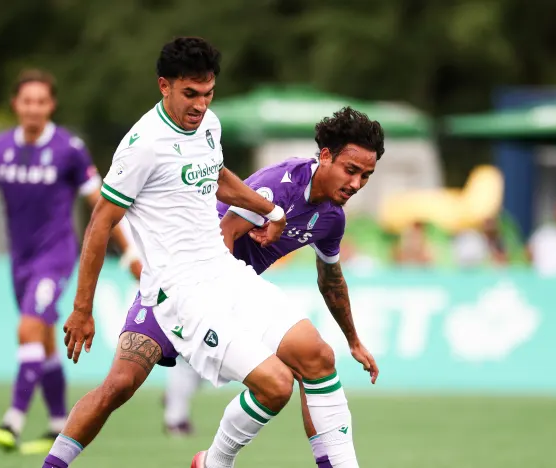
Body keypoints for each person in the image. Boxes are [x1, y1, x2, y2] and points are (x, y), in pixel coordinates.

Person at [41, 37, 377, 468]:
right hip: (177, 292)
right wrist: (82, 307)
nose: (200, 105)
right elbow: (100, 223)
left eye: (208, 93)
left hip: (225, 275)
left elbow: (217, 177)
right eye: (190, 94)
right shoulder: (143, 144)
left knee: (316, 355)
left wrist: (270, 210)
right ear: (164, 86)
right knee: (121, 386)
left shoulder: (208, 126)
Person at [0, 69, 140, 454]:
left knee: (28, 328)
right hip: (20, 260)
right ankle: (56, 425)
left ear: (51, 105)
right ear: (15, 105)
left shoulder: (70, 148)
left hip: (57, 256)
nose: (34, 108)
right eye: (27, 101)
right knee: (43, 341)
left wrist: (131, 253)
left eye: (41, 101)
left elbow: (101, 204)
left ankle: (13, 421)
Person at [159, 107, 383, 457]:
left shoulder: (332, 218)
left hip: (237, 288)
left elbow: (331, 279)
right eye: (350, 170)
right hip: (197, 282)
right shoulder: (281, 184)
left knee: (315, 361)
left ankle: (210, 460)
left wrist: (353, 340)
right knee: (121, 383)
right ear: (325, 156)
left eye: (366, 176)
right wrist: (215, 309)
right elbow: (226, 233)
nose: (356, 184)